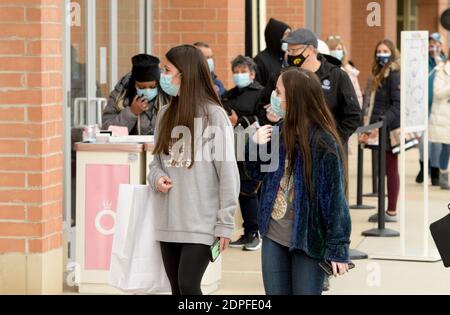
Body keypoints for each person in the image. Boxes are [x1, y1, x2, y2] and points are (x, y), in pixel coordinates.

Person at [244, 67, 351, 295]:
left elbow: (335, 201)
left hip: (308, 240)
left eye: (279, 92)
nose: (274, 96)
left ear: (294, 99)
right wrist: (253, 146)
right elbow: (254, 176)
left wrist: (338, 247)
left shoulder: (324, 142)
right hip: (273, 234)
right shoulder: (277, 133)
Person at [148, 45, 240, 295]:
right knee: (177, 289)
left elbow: (228, 174)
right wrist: (157, 178)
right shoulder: (165, 114)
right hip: (168, 220)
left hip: (201, 224)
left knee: (189, 285)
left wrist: (225, 224)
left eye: (167, 70)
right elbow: (155, 163)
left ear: (185, 74)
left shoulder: (215, 116)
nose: (162, 76)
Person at [258, 28, 361, 145]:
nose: (289, 55)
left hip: (326, 150)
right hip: (291, 148)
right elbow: (262, 106)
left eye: (294, 50)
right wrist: (268, 118)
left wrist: (335, 140)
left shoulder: (336, 75)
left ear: (310, 50)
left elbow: (353, 115)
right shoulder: (282, 76)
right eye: (288, 50)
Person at [222, 55, 264, 251]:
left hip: (253, 147)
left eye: (243, 72)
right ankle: (247, 232)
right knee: (239, 190)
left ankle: (255, 232)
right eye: (236, 73)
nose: (239, 76)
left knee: (249, 190)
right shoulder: (229, 95)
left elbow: (262, 118)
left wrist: (239, 121)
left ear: (252, 74)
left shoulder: (260, 93)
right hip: (232, 147)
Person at [360, 39, 400, 220]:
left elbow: (397, 105)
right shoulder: (379, 73)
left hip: (388, 130)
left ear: (392, 52)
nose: (381, 54)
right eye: (379, 50)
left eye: (385, 50)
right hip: (378, 129)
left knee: (391, 169)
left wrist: (381, 123)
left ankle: (391, 210)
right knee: (383, 170)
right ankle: (386, 209)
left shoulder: (394, 74)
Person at [102, 54, 168, 135]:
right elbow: (107, 130)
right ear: (134, 84)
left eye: (152, 87)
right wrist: (132, 112)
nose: (147, 91)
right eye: (141, 87)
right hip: (131, 146)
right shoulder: (120, 94)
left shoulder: (168, 93)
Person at [416, 33, 447, 185]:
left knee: (437, 141)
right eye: (430, 43)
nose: (433, 46)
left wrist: (438, 60)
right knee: (423, 140)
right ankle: (423, 165)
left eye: (436, 43)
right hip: (423, 106)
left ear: (441, 45)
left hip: (439, 107)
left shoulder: (444, 62)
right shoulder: (422, 61)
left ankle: (435, 170)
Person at [429, 48, 450, 190]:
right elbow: (437, 93)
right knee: (444, 146)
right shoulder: (441, 70)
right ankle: (441, 174)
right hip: (442, 114)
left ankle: (442, 174)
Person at [326, 35, 363, 107]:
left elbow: (357, 95)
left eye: (339, 49)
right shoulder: (324, 70)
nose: (337, 52)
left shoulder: (350, 72)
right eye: (333, 49)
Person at [254, 18, 291, 87]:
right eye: (286, 34)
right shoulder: (260, 60)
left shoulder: (286, 58)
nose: (289, 38)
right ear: (276, 36)